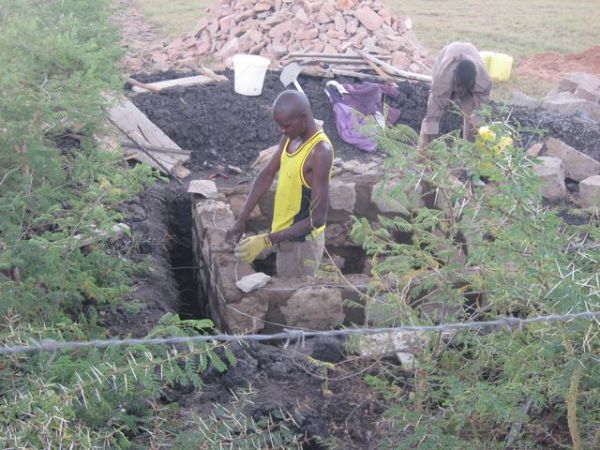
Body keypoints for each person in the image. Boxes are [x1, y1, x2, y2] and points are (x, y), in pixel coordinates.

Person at [225, 90, 334, 278]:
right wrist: (241, 219)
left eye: (286, 125)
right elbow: (267, 174)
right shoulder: (291, 137)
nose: (281, 130)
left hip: (302, 245)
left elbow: (317, 219)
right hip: (285, 236)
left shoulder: (319, 152)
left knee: (297, 302)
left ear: (303, 117)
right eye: (280, 126)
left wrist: (266, 240)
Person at [418, 42, 492, 150]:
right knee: (431, 119)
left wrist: (477, 134)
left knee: (473, 120)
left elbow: (479, 114)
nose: (460, 92)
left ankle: (469, 154)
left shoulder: (483, 82)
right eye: (458, 87)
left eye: (463, 89)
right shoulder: (443, 78)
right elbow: (433, 114)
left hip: (472, 65)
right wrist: (430, 144)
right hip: (449, 54)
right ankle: (424, 153)